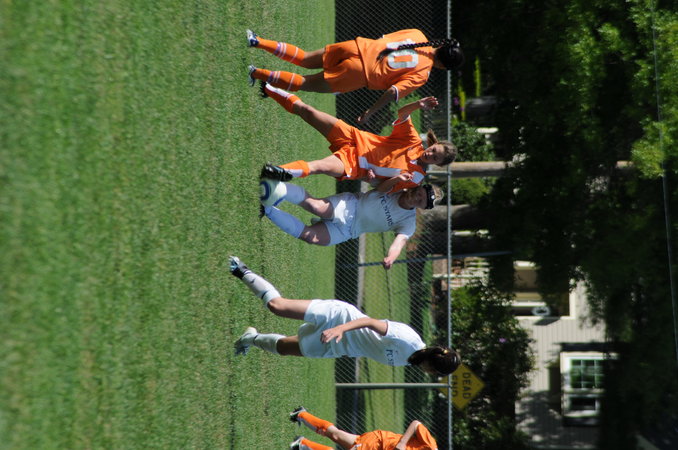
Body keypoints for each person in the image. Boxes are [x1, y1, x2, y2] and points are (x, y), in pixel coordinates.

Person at [229, 256, 460, 375]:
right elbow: (370, 322)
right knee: (277, 306)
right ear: (432, 363)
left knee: (283, 349)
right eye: (435, 371)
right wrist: (340, 328)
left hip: (339, 346)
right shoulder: (408, 340)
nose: (431, 373)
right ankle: (240, 269)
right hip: (340, 318)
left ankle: (250, 338)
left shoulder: (410, 361)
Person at [258, 83, 457, 194]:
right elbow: (402, 114)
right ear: (435, 143)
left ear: (438, 165)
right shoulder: (413, 142)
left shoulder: (416, 178)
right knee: (308, 111)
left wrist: (373, 179)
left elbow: (382, 190)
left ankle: (280, 172)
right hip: (354, 137)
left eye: (435, 158)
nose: (430, 154)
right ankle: (267, 87)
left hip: (356, 164)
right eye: (434, 150)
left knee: (319, 166)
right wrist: (417, 104)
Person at [246, 28, 464, 124]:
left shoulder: (417, 34)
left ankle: (257, 41)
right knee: (305, 82)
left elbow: (385, 39)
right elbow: (392, 92)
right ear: (444, 67)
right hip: (359, 73)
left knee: (304, 57)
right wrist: (370, 112)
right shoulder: (423, 74)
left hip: (358, 46)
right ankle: (256, 72)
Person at [260, 180, 442, 269]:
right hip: (351, 206)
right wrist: (396, 179)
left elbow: (399, 242)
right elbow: (380, 187)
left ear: (422, 207)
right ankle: (277, 188)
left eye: (421, 201)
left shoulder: (408, 222)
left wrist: (391, 257)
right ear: (419, 187)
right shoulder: (398, 185)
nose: (417, 198)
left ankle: (267, 209)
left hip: (350, 230)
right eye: (420, 193)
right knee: (317, 207)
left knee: (311, 237)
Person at [288, 407, 438, 450]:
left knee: (335, 435)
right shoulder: (430, 446)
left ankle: (301, 415)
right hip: (379, 443)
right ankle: (302, 445)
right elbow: (416, 424)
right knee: (336, 435)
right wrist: (402, 443)